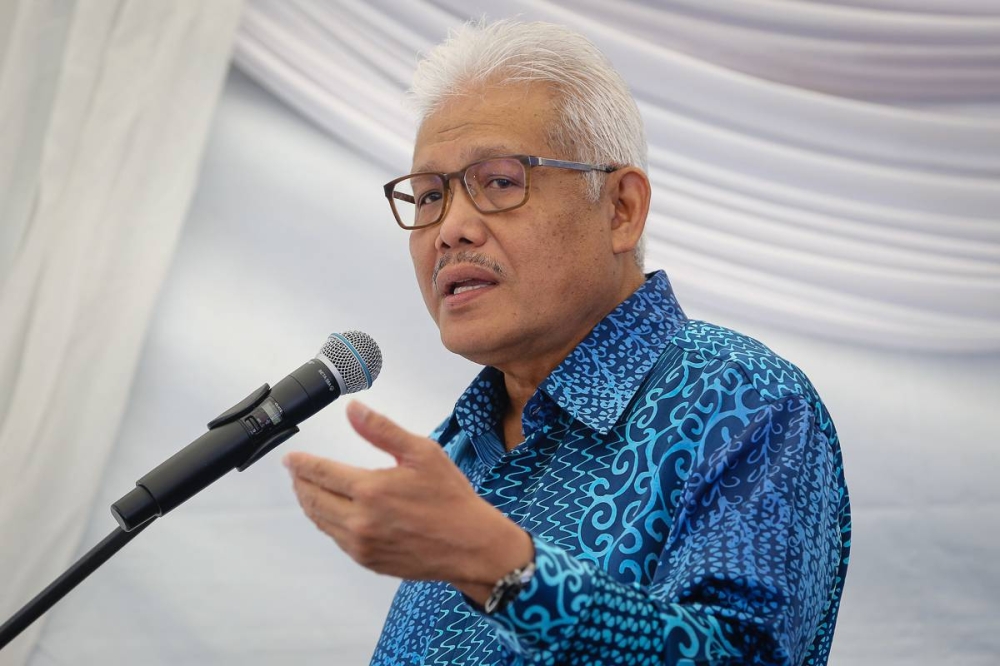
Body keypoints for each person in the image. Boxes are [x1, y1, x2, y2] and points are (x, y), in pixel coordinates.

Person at [283, 19, 850, 666]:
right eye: (430, 195)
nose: (450, 230)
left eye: (498, 181)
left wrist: (504, 569)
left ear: (621, 209)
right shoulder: (459, 447)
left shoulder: (743, 402)